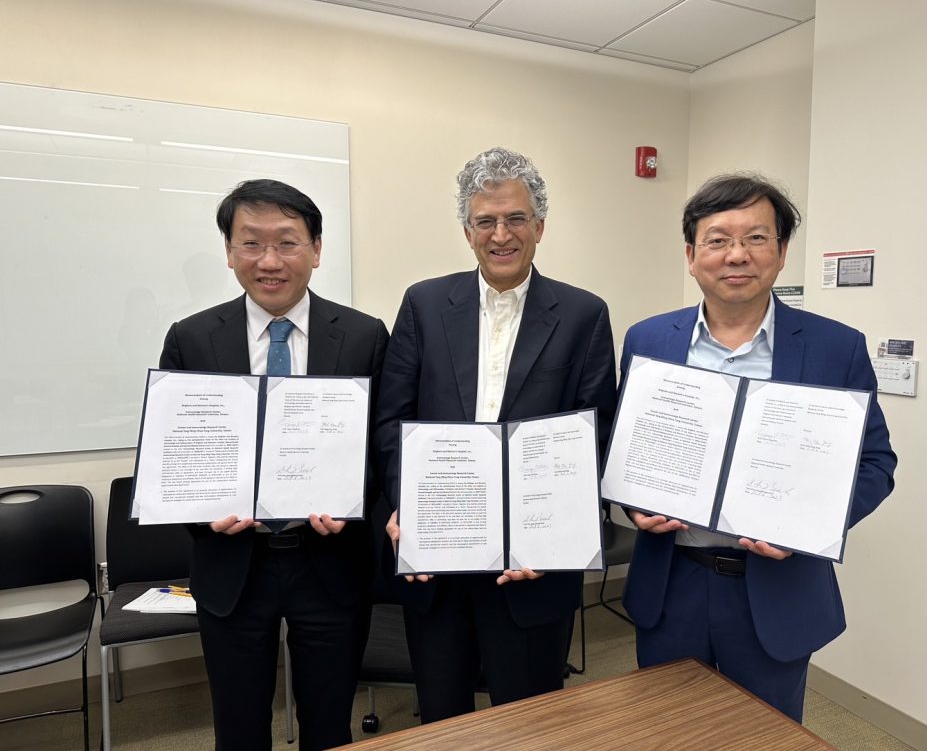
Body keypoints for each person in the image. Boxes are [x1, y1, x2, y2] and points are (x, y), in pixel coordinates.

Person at [620, 173, 896, 722]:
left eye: (756, 238)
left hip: (776, 590)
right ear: (691, 255)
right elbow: (624, 447)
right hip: (672, 580)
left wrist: (807, 525)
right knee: (667, 731)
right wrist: (633, 504)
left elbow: (875, 464)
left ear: (781, 252)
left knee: (766, 733)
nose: (736, 255)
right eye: (718, 240)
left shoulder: (835, 347)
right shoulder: (647, 340)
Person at [374, 147, 618, 723]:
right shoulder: (424, 304)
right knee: (443, 722)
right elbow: (390, 421)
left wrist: (554, 536)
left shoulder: (583, 314)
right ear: (467, 231)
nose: (501, 235)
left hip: (533, 571)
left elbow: (593, 436)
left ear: (540, 226)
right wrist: (408, 506)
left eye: (515, 219)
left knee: (528, 723)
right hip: (438, 562)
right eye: (486, 221)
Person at [159, 179, 389, 750]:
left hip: (330, 561)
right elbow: (173, 449)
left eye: (287, 242)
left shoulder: (364, 336)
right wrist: (202, 511)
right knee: (238, 728)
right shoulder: (191, 338)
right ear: (229, 251)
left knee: (329, 725)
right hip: (232, 565)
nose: (269, 261)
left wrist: (353, 505)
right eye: (251, 243)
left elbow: (382, 448)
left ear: (316, 249)